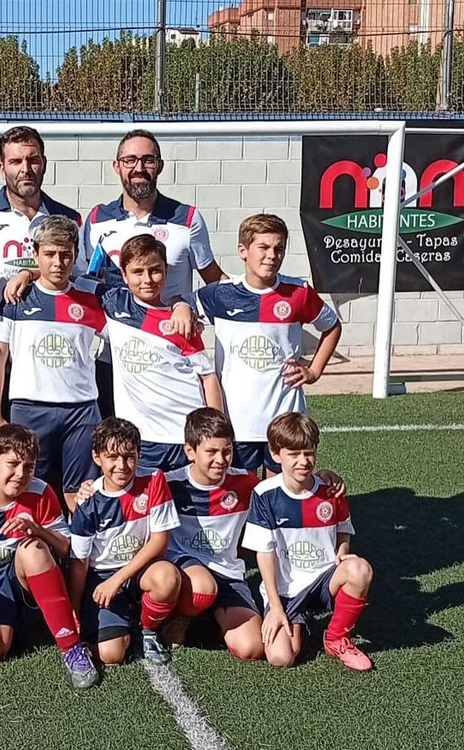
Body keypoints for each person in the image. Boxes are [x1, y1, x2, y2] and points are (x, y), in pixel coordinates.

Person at [78, 129, 224, 417]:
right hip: (115, 360)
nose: (139, 168)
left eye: (147, 160)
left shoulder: (187, 219)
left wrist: (185, 305)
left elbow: (216, 283)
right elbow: (83, 283)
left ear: (160, 165)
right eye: (130, 160)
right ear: (116, 166)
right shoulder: (97, 219)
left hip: (171, 359)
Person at [0, 126, 84, 433]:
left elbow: (77, 280)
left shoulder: (69, 220)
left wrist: (32, 273)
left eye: (33, 160)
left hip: (46, 367)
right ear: (2, 167)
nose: (26, 169)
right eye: (15, 161)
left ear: (44, 163)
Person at [190, 214, 341, 477]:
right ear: (243, 251)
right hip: (237, 420)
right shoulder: (220, 293)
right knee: (241, 492)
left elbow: (332, 326)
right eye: (263, 247)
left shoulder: (299, 292)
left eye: (279, 248)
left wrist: (314, 371)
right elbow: (178, 309)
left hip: (284, 417)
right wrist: (183, 309)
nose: (272, 255)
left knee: (279, 490)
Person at [0, 424, 97, 689]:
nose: (21, 474)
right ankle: (21, 624)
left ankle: (72, 648)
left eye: (29, 467)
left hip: (30, 573)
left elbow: (66, 548)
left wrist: (37, 530)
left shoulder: (41, 492)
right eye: (13, 464)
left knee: (32, 549)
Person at [0, 215, 105, 512]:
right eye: (50, 254)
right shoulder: (16, 298)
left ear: (75, 256)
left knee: (79, 495)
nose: (58, 263)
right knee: (26, 487)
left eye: (66, 255)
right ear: (36, 254)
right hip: (29, 407)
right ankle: (28, 543)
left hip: (80, 410)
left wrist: (180, 305)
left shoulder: (90, 298)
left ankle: (78, 543)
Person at [242, 412, 374, 671]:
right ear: (276, 454)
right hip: (286, 591)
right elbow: (264, 554)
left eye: (309, 453)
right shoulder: (265, 494)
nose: (303, 461)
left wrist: (343, 551)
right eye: (294, 454)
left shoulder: (331, 489)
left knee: (360, 569)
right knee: (281, 657)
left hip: (324, 579)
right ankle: (295, 620)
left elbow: (343, 528)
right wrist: (276, 607)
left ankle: (336, 638)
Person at [101, 235, 224, 473]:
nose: (147, 279)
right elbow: (66, 282)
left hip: (185, 435)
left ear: (166, 272)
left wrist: (216, 431)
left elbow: (207, 377)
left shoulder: (181, 321)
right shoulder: (113, 305)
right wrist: (28, 273)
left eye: (155, 271)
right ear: (124, 275)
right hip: (142, 438)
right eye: (137, 272)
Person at [68, 418, 181, 665]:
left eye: (129, 456)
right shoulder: (88, 501)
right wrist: (75, 613)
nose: (122, 465)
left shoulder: (154, 479)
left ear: (139, 454)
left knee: (167, 578)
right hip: (102, 576)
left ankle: (148, 630)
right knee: (112, 655)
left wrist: (118, 579)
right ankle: (123, 619)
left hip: (140, 570)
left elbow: (160, 541)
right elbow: (79, 563)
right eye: (112, 457)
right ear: (97, 457)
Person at [161, 407, 264, 661]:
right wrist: (90, 488)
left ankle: (211, 617)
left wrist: (324, 479)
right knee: (202, 587)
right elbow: (127, 491)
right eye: (211, 452)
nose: (221, 459)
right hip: (185, 569)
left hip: (227, 572)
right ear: (190, 451)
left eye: (227, 451)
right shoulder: (168, 483)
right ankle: (182, 614)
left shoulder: (246, 483)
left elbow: (284, 493)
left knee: (251, 648)